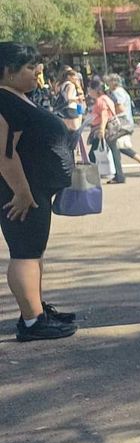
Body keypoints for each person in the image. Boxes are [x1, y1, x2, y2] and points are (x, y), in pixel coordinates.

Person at [0, 42, 76, 341]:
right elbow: (5, 154)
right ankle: (33, 322)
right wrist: (21, 191)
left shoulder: (17, 96)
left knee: (33, 252)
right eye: (30, 68)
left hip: (35, 189)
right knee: (25, 254)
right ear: (7, 70)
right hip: (20, 193)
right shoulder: (3, 102)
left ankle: (35, 310)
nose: (37, 72)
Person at [104, 73, 140, 175]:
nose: (107, 84)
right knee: (119, 146)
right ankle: (118, 169)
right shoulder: (120, 91)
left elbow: (120, 108)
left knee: (118, 145)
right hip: (125, 122)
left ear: (114, 82)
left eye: (109, 82)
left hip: (122, 123)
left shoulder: (117, 92)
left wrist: (108, 113)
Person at [86, 79, 126, 185]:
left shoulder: (101, 100)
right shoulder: (106, 98)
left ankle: (91, 178)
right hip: (109, 128)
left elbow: (104, 115)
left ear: (96, 90)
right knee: (113, 151)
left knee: (93, 154)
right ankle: (119, 175)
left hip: (104, 129)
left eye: (90, 89)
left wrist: (101, 130)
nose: (89, 91)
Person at [57, 68, 87, 160]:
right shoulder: (70, 85)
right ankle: (77, 149)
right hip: (73, 107)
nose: (76, 77)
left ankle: (77, 149)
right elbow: (70, 98)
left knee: (75, 127)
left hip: (75, 107)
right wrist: (78, 99)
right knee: (76, 130)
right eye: (74, 76)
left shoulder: (65, 84)